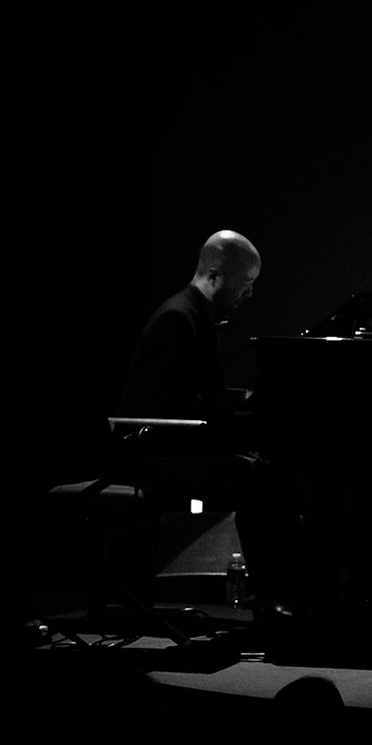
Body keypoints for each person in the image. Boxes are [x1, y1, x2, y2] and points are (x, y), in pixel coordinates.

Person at [117, 229, 303, 618]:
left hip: (176, 447)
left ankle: (280, 591)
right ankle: (275, 596)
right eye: (246, 282)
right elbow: (172, 406)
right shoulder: (178, 318)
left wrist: (237, 405)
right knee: (260, 478)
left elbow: (197, 395)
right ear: (216, 274)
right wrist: (237, 409)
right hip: (158, 455)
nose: (249, 293)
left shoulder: (193, 316)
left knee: (268, 470)